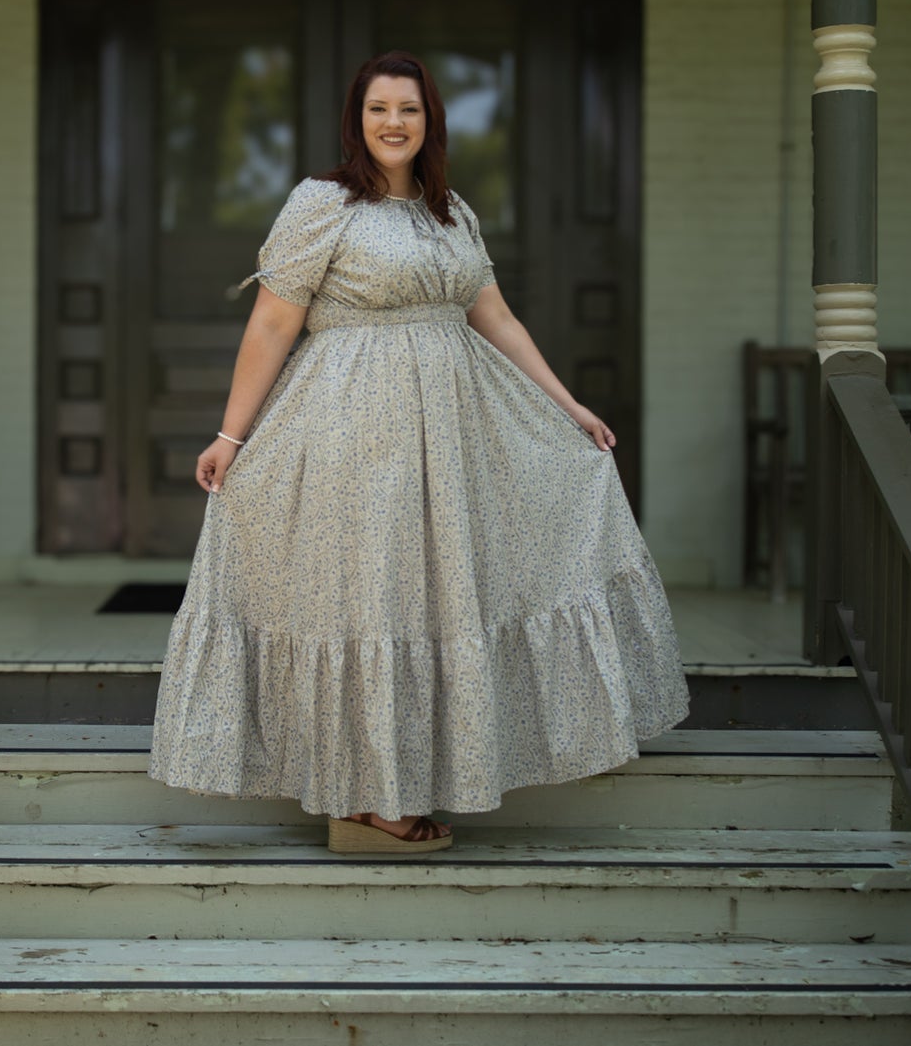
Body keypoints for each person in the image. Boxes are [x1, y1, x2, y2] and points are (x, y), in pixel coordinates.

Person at [147, 50, 688, 853]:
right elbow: (272, 322)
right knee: (371, 594)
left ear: (429, 119)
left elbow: (495, 317)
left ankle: (399, 780)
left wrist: (565, 402)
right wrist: (232, 434)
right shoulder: (321, 202)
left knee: (427, 599)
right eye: (377, 109)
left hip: (450, 434)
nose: (392, 122)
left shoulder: (450, 210)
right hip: (350, 428)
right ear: (355, 121)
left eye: (408, 108)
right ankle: (366, 797)